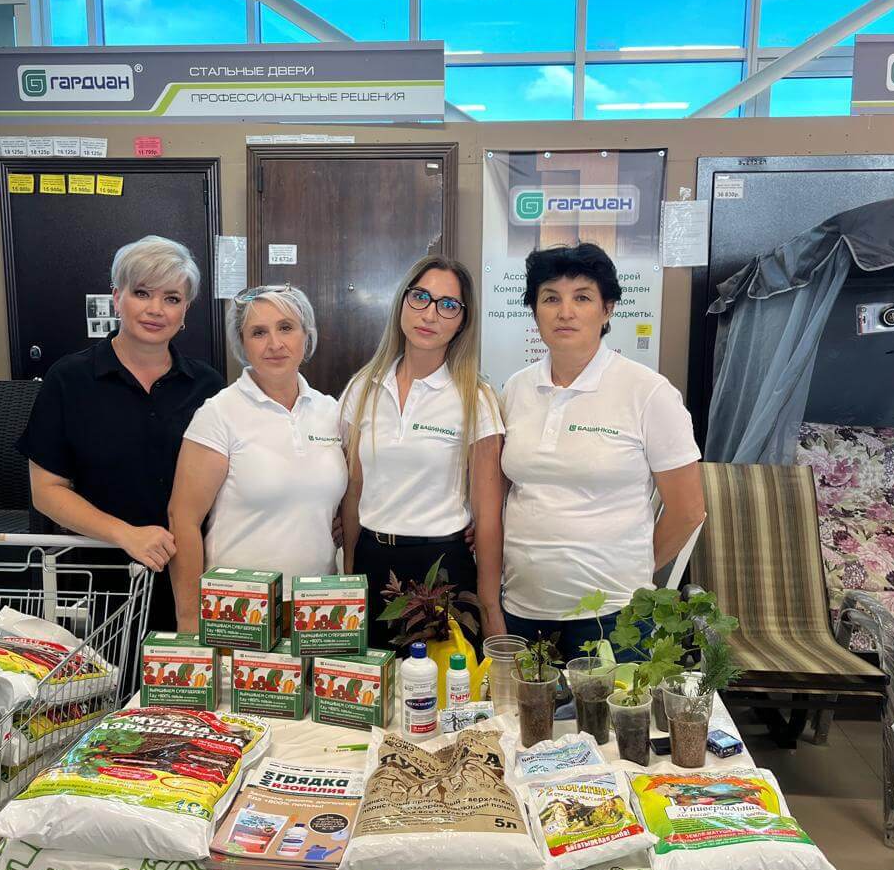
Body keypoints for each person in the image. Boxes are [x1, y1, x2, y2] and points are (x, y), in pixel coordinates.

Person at [499, 243, 705, 662]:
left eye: (582, 298)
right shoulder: (515, 389)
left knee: (612, 710)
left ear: (607, 309)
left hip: (613, 615)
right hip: (522, 606)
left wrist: (633, 570)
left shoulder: (648, 392)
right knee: (518, 708)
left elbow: (688, 511)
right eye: (550, 298)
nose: (565, 312)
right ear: (534, 310)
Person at [17, 235, 224, 632]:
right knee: (119, 671)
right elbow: (46, 491)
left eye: (172, 298)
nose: (155, 309)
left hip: (197, 574)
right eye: (142, 293)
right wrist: (126, 535)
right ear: (117, 297)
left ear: (185, 310)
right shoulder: (70, 380)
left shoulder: (208, 386)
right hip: (109, 578)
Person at [340, 255, 505, 654]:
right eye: (420, 297)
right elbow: (353, 491)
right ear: (402, 302)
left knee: (444, 689)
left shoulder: (475, 398)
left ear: (463, 320)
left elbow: (488, 516)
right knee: (375, 687)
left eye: (448, 305)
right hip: (373, 563)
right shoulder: (363, 389)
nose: (430, 314)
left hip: (442, 568)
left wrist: (489, 607)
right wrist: (348, 578)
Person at [168, 286, 347, 633]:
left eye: (286, 327)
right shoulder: (219, 414)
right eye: (259, 332)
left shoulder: (331, 412)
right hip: (239, 609)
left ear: (306, 334)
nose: (275, 344)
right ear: (243, 343)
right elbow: (183, 519)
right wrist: (189, 621)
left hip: (317, 606)